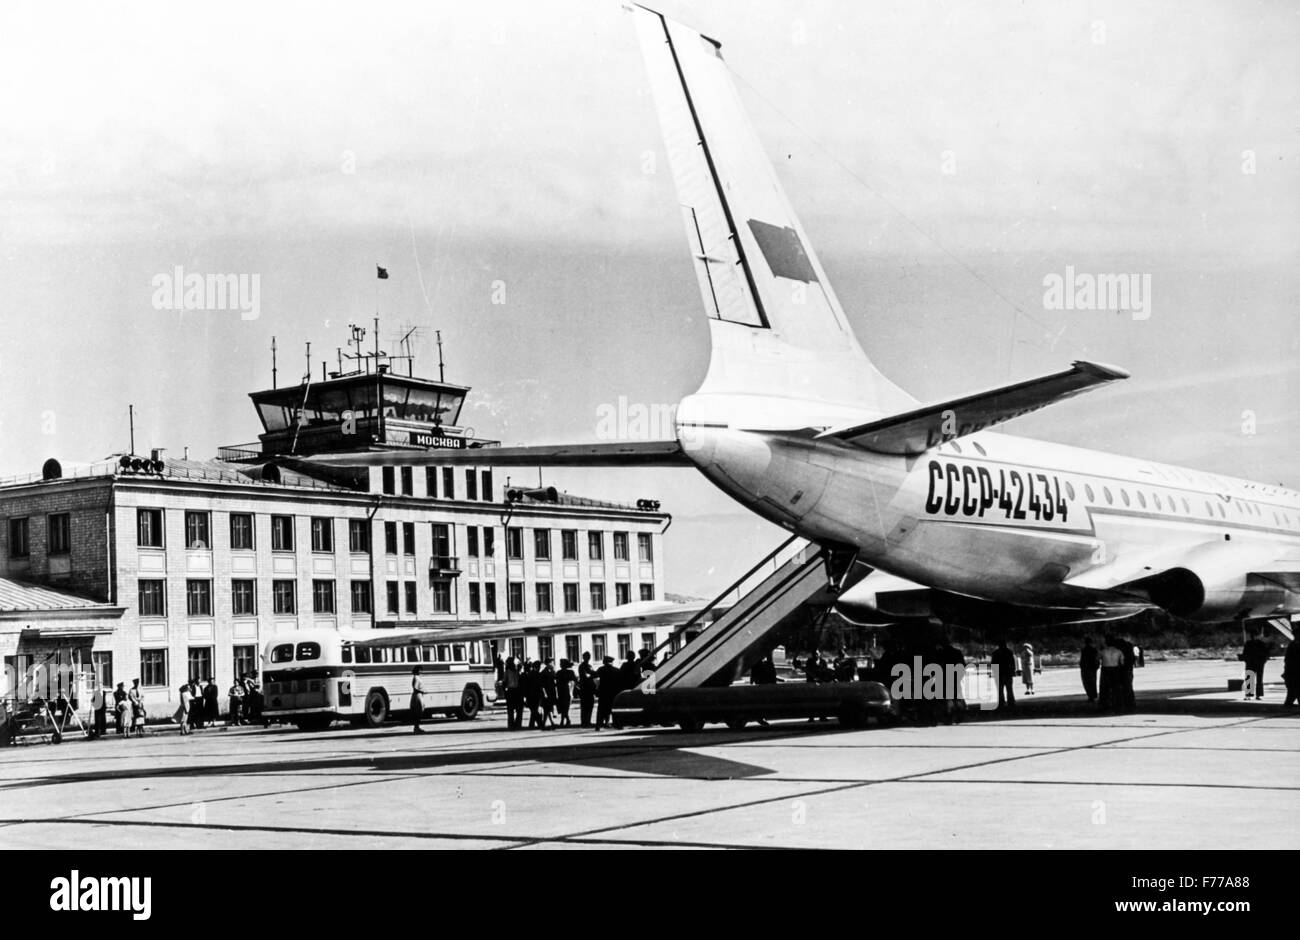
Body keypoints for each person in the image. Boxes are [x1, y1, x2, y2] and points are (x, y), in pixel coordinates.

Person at [1240, 632, 1271, 700]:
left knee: (1250, 678)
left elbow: (1245, 653)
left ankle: (1249, 695)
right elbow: (1266, 654)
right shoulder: (1261, 644)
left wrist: (1247, 660)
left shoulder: (1249, 643)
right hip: (1258, 663)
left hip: (1251, 663)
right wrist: (1263, 661)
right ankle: (1258, 695)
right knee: (1258, 679)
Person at [594, 655, 621, 730]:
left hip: (603, 692)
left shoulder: (601, 669)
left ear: (604, 662)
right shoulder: (616, 670)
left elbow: (594, 676)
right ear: (612, 662)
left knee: (601, 709)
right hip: (613, 692)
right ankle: (617, 724)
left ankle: (598, 725)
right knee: (613, 708)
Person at [1099, 637, 1124, 712]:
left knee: (1104, 688)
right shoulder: (1119, 652)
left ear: (1106, 643)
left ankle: (1105, 704)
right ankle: (1117, 703)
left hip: (1105, 669)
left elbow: (1096, 659)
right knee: (1116, 687)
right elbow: (1122, 663)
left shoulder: (1103, 651)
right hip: (1115, 669)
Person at [991, 640, 1016, 709]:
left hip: (999, 672)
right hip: (1007, 672)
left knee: (1000, 689)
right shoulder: (1009, 652)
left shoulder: (995, 653)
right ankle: (1010, 701)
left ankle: (1001, 702)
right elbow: (1012, 662)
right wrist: (1013, 671)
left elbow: (993, 664)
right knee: (1009, 688)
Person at [503, 656, 524, 730]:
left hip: (517, 691)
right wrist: (505, 692)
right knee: (511, 710)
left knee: (519, 709)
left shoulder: (518, 671)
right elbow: (504, 682)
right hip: (511, 691)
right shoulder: (507, 672)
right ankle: (511, 725)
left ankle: (517, 724)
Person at [556, 659, 576, 727]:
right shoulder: (559, 672)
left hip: (567, 691)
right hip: (562, 691)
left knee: (565, 707)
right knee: (563, 707)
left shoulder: (569, 672)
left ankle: (563, 721)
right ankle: (566, 720)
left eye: (561, 663)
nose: (560, 664)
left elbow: (574, 681)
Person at [578, 652, 596, 727]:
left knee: (590, 705)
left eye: (588, 656)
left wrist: (591, 675)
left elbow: (592, 674)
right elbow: (586, 676)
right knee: (585, 706)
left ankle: (588, 721)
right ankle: (584, 722)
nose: (587, 658)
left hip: (590, 688)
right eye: (586, 656)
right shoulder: (582, 666)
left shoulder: (589, 666)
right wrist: (592, 675)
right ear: (583, 657)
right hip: (585, 688)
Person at [1079, 637, 1099, 703]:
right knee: (1093, 682)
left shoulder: (1084, 650)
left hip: (1085, 668)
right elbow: (1096, 659)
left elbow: (1082, 660)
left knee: (1086, 682)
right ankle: (1093, 695)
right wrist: (1096, 666)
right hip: (1092, 668)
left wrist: (1081, 666)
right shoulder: (1094, 650)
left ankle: (1090, 695)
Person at [523, 660, 542, 729]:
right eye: (539, 666)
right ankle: (540, 724)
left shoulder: (530, 674)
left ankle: (532, 724)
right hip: (535, 695)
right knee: (534, 710)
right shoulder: (537, 675)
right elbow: (540, 685)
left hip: (530, 695)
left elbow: (526, 686)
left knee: (533, 710)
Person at [539, 659, 558, 729]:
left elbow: (555, 682)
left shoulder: (552, 671)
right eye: (552, 663)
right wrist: (544, 693)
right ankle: (547, 724)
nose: (553, 664)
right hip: (547, 692)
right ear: (548, 664)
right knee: (547, 708)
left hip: (551, 692)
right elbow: (542, 685)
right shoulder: (544, 673)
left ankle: (546, 724)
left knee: (548, 708)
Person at [1283, 634, 1300, 707]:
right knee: (1295, 687)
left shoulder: (1292, 644)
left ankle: (1249, 694)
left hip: (1251, 662)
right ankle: (1252, 694)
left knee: (1293, 687)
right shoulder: (1294, 645)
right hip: (1294, 670)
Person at [410, 666, 426, 734]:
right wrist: (422, 691)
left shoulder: (417, 677)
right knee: (418, 712)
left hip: (419, 695)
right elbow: (415, 687)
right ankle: (416, 728)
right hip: (418, 695)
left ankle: (417, 727)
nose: (421, 671)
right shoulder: (416, 678)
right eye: (420, 670)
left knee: (419, 711)